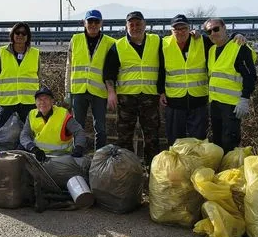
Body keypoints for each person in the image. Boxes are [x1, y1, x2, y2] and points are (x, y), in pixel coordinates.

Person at [160, 14, 247, 146]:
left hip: (198, 102)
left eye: (183, 28)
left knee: (199, 142)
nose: (180, 32)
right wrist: (160, 91)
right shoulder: (163, 44)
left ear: (189, 29)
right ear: (171, 31)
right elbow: (160, 69)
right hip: (174, 102)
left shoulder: (202, 41)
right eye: (176, 29)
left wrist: (237, 34)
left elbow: (222, 40)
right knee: (175, 142)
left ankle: (198, 167)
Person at [103, 11, 163, 166]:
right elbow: (109, 72)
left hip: (150, 97)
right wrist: (111, 92)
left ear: (145, 25)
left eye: (138, 24)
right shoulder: (118, 46)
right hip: (126, 98)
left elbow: (175, 46)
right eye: (132, 24)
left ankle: (152, 172)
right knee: (124, 137)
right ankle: (128, 172)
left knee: (152, 137)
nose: (135, 27)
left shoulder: (157, 41)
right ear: (126, 26)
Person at [64, 9, 117, 151]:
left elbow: (114, 69)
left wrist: (113, 90)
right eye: (90, 21)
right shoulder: (75, 40)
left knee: (100, 128)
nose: (93, 24)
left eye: (96, 21)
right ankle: (78, 153)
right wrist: (67, 91)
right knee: (78, 126)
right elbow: (69, 66)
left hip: (99, 91)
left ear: (101, 23)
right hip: (78, 91)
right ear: (84, 23)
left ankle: (99, 156)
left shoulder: (110, 42)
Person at [205, 17, 257, 154]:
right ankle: (221, 173)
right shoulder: (211, 51)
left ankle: (231, 172)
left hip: (232, 105)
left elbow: (250, 75)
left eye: (216, 29)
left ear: (224, 28)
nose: (213, 33)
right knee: (217, 142)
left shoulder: (239, 47)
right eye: (209, 31)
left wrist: (245, 98)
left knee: (230, 143)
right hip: (215, 104)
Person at [20, 86, 88, 162]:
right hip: (39, 156)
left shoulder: (62, 114)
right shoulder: (31, 114)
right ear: (35, 102)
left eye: (46, 99)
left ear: (52, 101)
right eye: (39, 99)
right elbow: (24, 135)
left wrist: (78, 148)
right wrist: (33, 149)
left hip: (61, 157)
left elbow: (79, 131)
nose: (42, 102)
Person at [0, 22, 40, 128]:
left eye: (24, 33)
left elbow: (38, 75)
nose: (20, 35)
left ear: (28, 36)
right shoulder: (2, 52)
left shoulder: (35, 53)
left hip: (28, 101)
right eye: (17, 32)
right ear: (12, 34)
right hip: (7, 102)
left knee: (29, 132)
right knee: (4, 135)